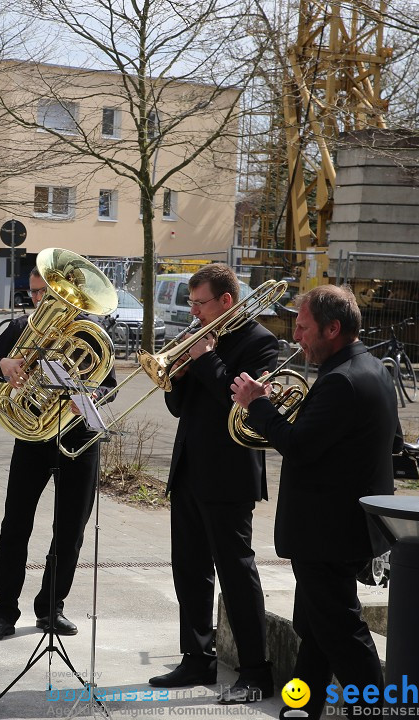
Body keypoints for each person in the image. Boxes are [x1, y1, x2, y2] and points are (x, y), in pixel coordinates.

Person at [230, 284, 401, 719]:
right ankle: (300, 710)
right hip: (343, 528)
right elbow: (392, 444)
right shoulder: (374, 368)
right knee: (315, 629)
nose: (297, 337)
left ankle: (373, 713)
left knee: (342, 632)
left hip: (327, 534)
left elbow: (298, 446)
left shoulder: (342, 381)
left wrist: (259, 404)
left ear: (333, 328)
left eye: (304, 329)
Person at [148, 264, 279, 701]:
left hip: (229, 476)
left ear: (226, 301)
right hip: (188, 468)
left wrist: (205, 359)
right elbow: (179, 407)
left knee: (237, 574)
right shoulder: (201, 338)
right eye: (192, 303)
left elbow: (240, 403)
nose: (194, 311)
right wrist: (177, 375)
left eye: (199, 303)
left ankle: (256, 671)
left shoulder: (260, 342)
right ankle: (196, 659)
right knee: (189, 570)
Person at [0, 266, 117, 641]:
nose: (39, 300)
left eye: (45, 293)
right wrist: (1, 364)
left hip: (78, 440)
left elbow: (110, 388)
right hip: (32, 437)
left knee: (70, 531)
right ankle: (3, 612)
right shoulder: (19, 329)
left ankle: (51, 608)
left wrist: (89, 398)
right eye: (35, 293)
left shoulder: (90, 333)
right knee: (15, 526)